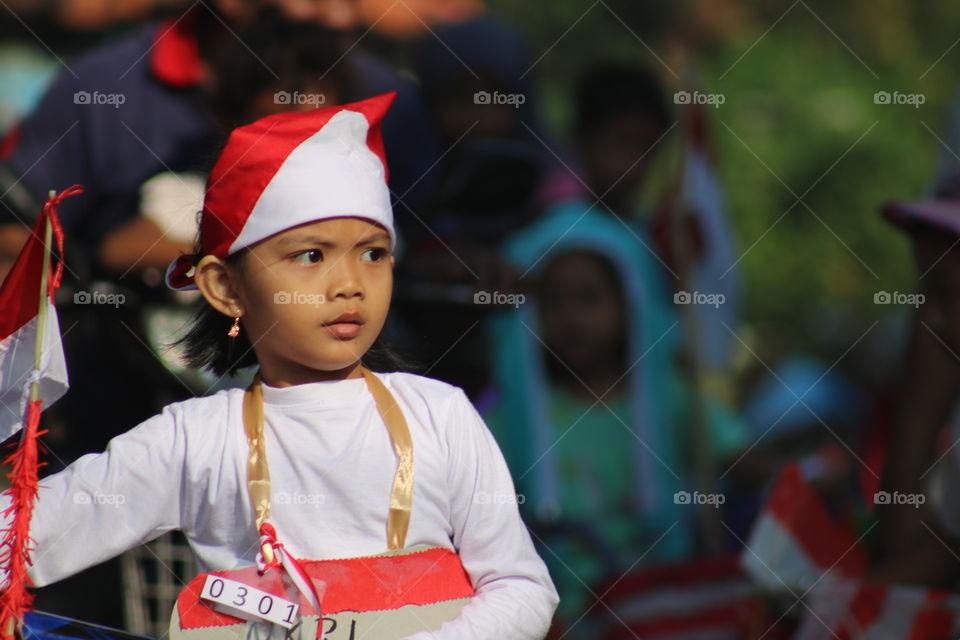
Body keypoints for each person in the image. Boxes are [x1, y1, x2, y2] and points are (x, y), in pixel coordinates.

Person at [1, 94, 559, 639]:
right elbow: (23, 537)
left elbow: (522, 586)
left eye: (373, 253)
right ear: (223, 286)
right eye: (311, 256)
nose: (349, 285)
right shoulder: (198, 439)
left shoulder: (439, 414)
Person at [479, 201, 751, 635]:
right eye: (553, 301)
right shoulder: (504, 419)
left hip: (665, 611)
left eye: (589, 298)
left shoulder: (673, 398)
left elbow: (744, 461)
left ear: (630, 306)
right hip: (558, 622)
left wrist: (807, 474)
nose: (572, 317)